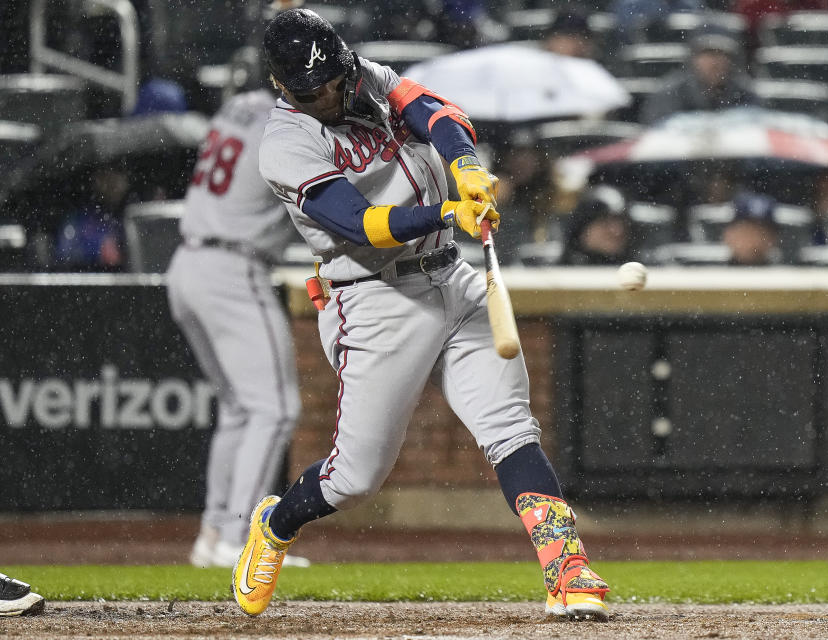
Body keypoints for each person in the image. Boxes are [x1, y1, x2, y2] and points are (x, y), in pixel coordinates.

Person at [231, 8, 610, 621]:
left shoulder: (366, 78)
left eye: (333, 78)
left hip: (450, 278)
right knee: (354, 481)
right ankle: (277, 522)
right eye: (312, 88)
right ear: (282, 87)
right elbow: (360, 224)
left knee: (510, 428)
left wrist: (464, 168)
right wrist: (446, 214)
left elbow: (439, 114)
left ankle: (566, 566)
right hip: (375, 298)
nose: (328, 93)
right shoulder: (285, 143)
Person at [166, 87, 308, 569]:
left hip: (188, 261)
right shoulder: (290, 126)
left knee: (239, 409)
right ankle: (241, 538)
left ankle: (212, 536)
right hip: (233, 265)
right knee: (276, 408)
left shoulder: (241, 103)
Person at [642, 26, 760, 124]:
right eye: (708, 54)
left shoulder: (746, 93)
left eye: (721, 54)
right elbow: (657, 134)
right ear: (693, 59)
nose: (715, 62)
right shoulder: (669, 93)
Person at [560, 185, 636, 265]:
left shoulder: (643, 266)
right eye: (605, 222)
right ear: (582, 228)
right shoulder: (553, 269)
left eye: (623, 222)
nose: (618, 231)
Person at [722, 190, 781, 265]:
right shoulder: (708, 274)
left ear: (775, 238)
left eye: (762, 233)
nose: (755, 241)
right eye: (747, 233)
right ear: (728, 235)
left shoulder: (790, 274)